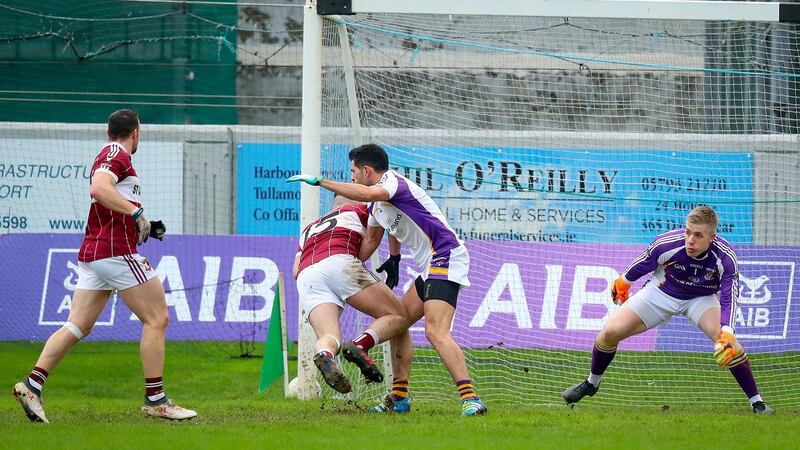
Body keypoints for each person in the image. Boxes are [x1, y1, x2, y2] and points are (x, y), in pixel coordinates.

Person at [11, 109, 196, 422]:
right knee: (157, 319)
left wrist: (143, 221)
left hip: (96, 254)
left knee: (77, 326)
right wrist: (136, 215)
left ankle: (32, 385)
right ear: (134, 133)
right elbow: (98, 189)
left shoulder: (114, 157)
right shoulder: (117, 153)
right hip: (115, 253)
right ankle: (156, 399)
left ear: (108, 130)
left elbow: (110, 201)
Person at [287, 143, 487, 417]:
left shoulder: (392, 183)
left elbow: (373, 194)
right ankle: (399, 397)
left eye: (354, 172)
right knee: (399, 321)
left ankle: (471, 399)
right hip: (429, 265)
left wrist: (323, 182)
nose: (353, 177)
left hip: (446, 255)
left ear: (367, 170)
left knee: (435, 331)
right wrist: (393, 259)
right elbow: (370, 241)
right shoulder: (374, 209)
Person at [562, 206, 774, 415]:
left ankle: (757, 403)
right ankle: (591, 383)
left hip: (701, 298)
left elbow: (729, 296)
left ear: (712, 237)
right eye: (688, 232)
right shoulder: (667, 243)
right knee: (609, 333)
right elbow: (645, 262)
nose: (690, 239)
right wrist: (624, 281)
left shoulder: (725, 257)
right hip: (661, 292)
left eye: (698, 235)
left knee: (729, 343)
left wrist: (727, 330)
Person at [293, 194, 410, 394]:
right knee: (398, 316)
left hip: (307, 275)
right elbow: (383, 228)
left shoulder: (308, 229)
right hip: (339, 261)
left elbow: (295, 270)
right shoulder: (359, 210)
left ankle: (325, 355)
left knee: (329, 335)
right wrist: (394, 257)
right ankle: (359, 345)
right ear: (356, 199)